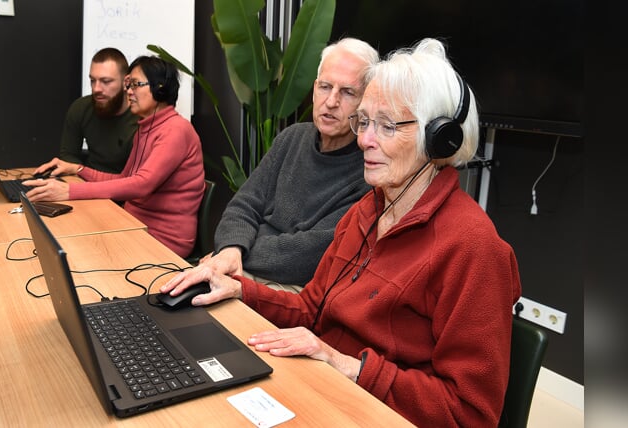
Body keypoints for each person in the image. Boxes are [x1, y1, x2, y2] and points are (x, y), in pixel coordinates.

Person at [161, 38, 521, 427]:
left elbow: (470, 413)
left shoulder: (474, 248)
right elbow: (312, 308)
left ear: (440, 139)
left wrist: (349, 366)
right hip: (322, 387)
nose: (365, 139)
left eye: (387, 125)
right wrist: (240, 289)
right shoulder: (368, 211)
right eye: (364, 121)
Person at [202, 37, 379, 290]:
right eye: (325, 87)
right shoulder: (292, 137)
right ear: (315, 87)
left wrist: (239, 251)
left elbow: (304, 256)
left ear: (366, 102)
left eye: (348, 92)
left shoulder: (368, 169)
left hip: (294, 290)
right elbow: (243, 205)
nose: (331, 102)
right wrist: (230, 249)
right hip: (243, 263)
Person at [24, 55, 205, 258]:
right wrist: (78, 170)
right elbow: (123, 180)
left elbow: (141, 184)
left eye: (135, 84)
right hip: (133, 224)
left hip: (162, 240)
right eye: (128, 85)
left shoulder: (176, 130)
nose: (128, 91)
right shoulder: (146, 128)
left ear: (159, 89)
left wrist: (69, 191)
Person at [59, 47, 139, 174]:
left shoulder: (141, 118)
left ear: (126, 83)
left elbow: (138, 180)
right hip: (86, 182)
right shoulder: (81, 108)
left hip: (123, 188)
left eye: (105, 81)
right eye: (92, 80)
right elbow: (68, 155)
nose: (96, 89)